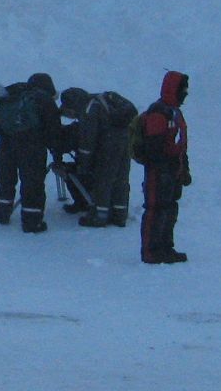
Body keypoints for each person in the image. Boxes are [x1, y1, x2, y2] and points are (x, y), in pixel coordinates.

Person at [0, 72, 61, 233]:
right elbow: (54, 131)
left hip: (6, 146)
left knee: (5, 179)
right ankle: (32, 222)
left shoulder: (11, 96)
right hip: (32, 148)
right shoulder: (44, 100)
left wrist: (10, 138)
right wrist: (52, 147)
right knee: (32, 183)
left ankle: (0, 212)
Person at [138, 70, 192, 264]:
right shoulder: (159, 113)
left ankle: (165, 247)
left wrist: (183, 168)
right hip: (158, 172)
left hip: (171, 171)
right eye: (183, 89)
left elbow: (180, 144)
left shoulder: (174, 112)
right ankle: (151, 251)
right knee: (156, 209)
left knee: (169, 209)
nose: (185, 93)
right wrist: (165, 167)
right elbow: (155, 148)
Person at [77, 90, 139, 228]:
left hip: (108, 145)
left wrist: (84, 163)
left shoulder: (90, 107)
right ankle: (120, 215)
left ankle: (99, 217)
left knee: (103, 180)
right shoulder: (107, 100)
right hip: (125, 140)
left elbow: (88, 139)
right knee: (121, 179)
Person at [56, 87, 96, 215]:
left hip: (95, 163)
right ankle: (85, 201)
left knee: (70, 171)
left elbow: (82, 143)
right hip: (104, 159)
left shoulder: (87, 119)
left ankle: (85, 202)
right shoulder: (93, 112)